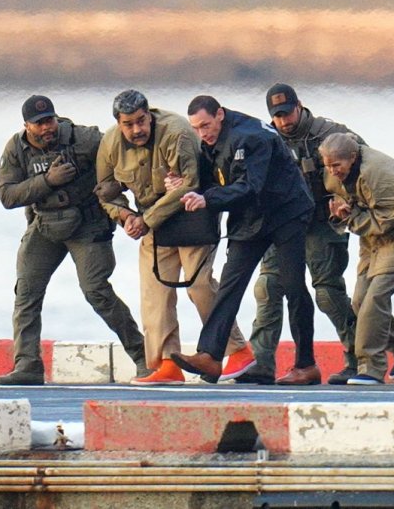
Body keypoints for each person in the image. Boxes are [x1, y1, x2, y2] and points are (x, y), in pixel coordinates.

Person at [95, 89, 253, 385]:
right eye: (128, 124)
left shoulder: (176, 132)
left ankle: (238, 350)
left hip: (192, 213)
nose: (137, 129)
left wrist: (145, 220)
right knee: (154, 293)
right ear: (119, 123)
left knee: (199, 285)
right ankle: (167, 363)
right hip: (151, 222)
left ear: (149, 115)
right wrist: (126, 216)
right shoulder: (110, 143)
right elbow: (105, 190)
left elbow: (189, 183)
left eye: (141, 121)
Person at [0, 95, 147, 385]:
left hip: (87, 224)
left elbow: (123, 155)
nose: (46, 128)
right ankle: (27, 364)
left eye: (50, 120)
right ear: (27, 126)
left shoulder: (84, 138)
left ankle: (142, 356)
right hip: (45, 224)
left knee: (96, 291)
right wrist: (47, 181)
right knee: (26, 293)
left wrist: (118, 191)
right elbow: (7, 195)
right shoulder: (16, 149)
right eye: (39, 124)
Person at [170, 95, 321, 385]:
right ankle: (210, 355)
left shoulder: (251, 137)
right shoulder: (209, 141)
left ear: (220, 114)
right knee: (230, 282)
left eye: (205, 125)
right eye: (196, 128)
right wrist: (185, 184)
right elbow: (209, 178)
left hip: (286, 211)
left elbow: (251, 186)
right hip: (250, 217)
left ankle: (306, 365)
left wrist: (207, 198)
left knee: (293, 286)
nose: (202, 133)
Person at [237, 83, 363, 385]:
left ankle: (360, 359)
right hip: (283, 224)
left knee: (328, 293)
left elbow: (366, 168)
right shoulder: (265, 139)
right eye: (277, 116)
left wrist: (346, 200)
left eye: (288, 113)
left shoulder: (330, 135)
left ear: (299, 106)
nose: (284, 121)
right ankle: (261, 362)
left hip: (322, 221)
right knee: (268, 286)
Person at [320, 133, 394, 385]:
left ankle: (371, 368)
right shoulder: (334, 174)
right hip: (373, 238)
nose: (332, 171)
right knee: (360, 301)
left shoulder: (378, 173)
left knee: (376, 298)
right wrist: (342, 208)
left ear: (352, 158)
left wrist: (351, 218)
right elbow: (339, 196)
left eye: (337, 165)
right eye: (328, 166)